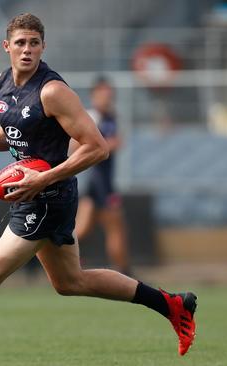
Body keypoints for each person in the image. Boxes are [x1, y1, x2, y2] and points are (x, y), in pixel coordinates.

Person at [0, 14, 197, 366]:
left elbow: (97, 147)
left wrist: (43, 179)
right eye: (20, 43)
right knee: (71, 282)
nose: (27, 50)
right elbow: (17, 130)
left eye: (34, 43)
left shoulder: (53, 91)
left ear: (43, 47)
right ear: (6, 46)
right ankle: (172, 304)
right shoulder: (0, 84)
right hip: (35, 194)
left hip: (48, 198)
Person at [73, 76, 131, 276]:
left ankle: (56, 260)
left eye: (109, 94)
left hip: (101, 182)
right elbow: (75, 145)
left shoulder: (111, 117)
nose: (107, 98)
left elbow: (118, 142)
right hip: (99, 182)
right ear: (94, 95)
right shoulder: (92, 117)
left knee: (82, 230)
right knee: (115, 227)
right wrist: (105, 145)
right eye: (103, 94)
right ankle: (123, 272)